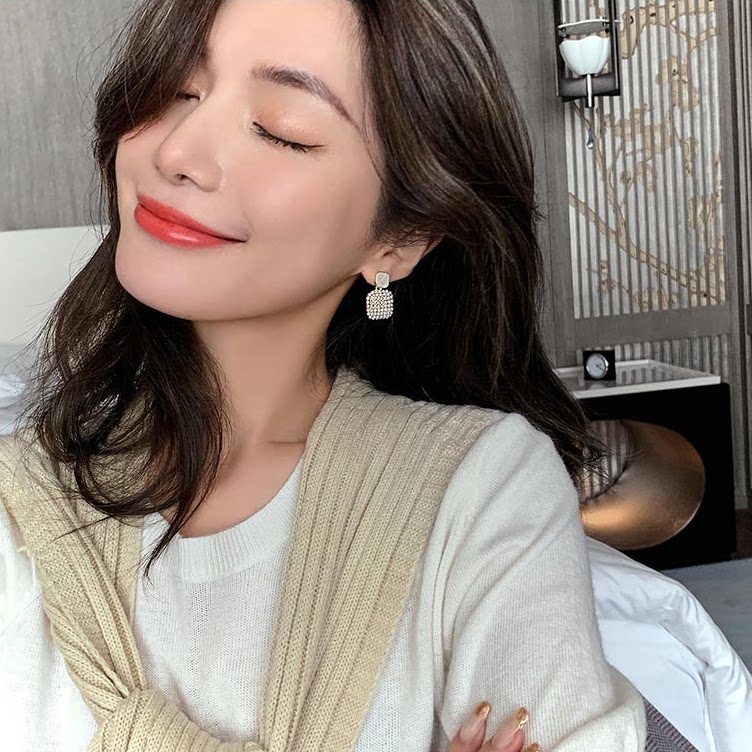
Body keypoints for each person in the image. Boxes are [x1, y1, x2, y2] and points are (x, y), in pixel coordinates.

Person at [0, 0, 647, 750]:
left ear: (400, 238)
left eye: (280, 129)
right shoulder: (24, 502)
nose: (177, 150)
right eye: (176, 90)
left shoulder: (482, 485)